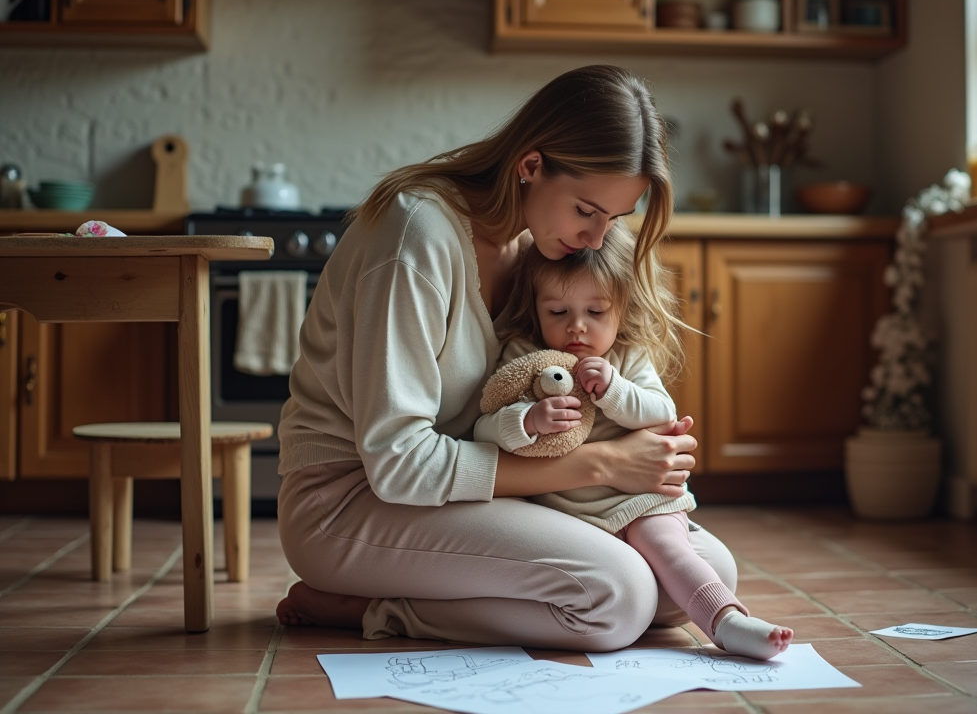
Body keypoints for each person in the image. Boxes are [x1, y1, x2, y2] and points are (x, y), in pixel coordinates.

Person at [273, 65, 739, 652]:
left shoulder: (535, 245)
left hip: (471, 495)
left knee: (706, 575)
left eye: (614, 220)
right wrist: (603, 466)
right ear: (531, 165)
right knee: (616, 598)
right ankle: (377, 607)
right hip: (350, 503)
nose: (597, 240)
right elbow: (397, 465)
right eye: (587, 210)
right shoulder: (415, 238)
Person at [476, 222, 793, 660]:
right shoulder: (524, 357)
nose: (577, 329)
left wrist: (614, 391)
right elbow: (484, 428)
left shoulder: (626, 356)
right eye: (558, 312)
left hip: (640, 498)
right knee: (613, 575)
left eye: (596, 312)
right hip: (566, 511)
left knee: (668, 546)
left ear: (622, 310)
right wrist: (527, 420)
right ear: (534, 309)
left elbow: (661, 411)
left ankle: (727, 622)